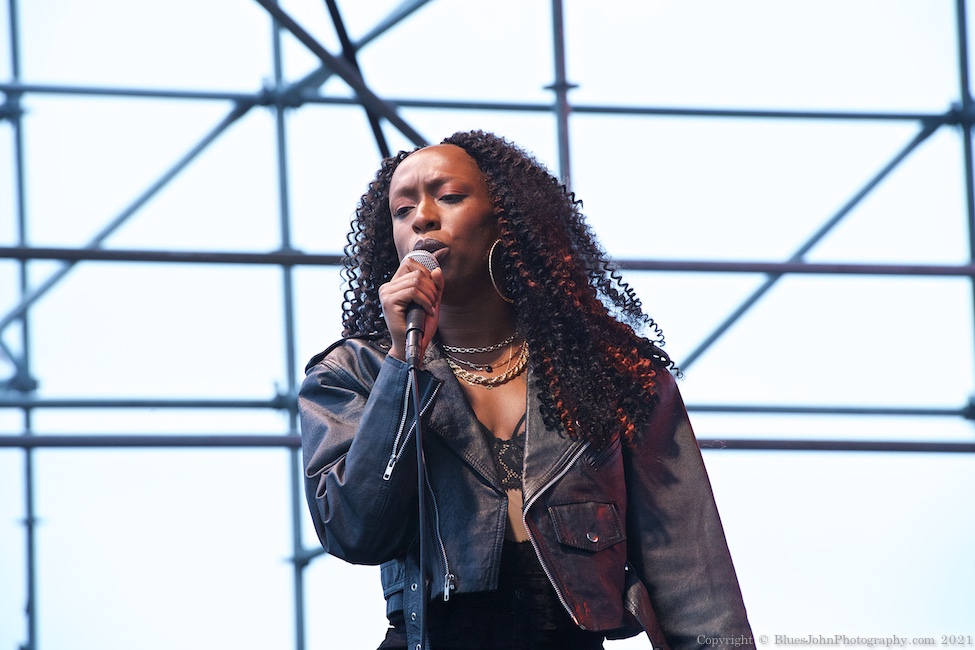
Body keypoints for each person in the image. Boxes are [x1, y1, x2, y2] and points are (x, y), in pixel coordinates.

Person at [298, 130, 754, 650]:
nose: (422, 218)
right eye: (402, 211)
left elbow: (694, 583)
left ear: (506, 220)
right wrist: (405, 365)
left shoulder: (612, 374)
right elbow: (355, 530)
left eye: (449, 197)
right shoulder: (353, 372)